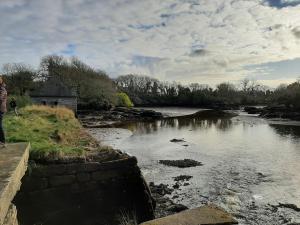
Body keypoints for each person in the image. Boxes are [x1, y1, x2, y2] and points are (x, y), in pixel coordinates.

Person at [0, 75, 7, 147]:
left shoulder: (2, 89)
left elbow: (0, 98)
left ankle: (3, 141)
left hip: (0, 109)